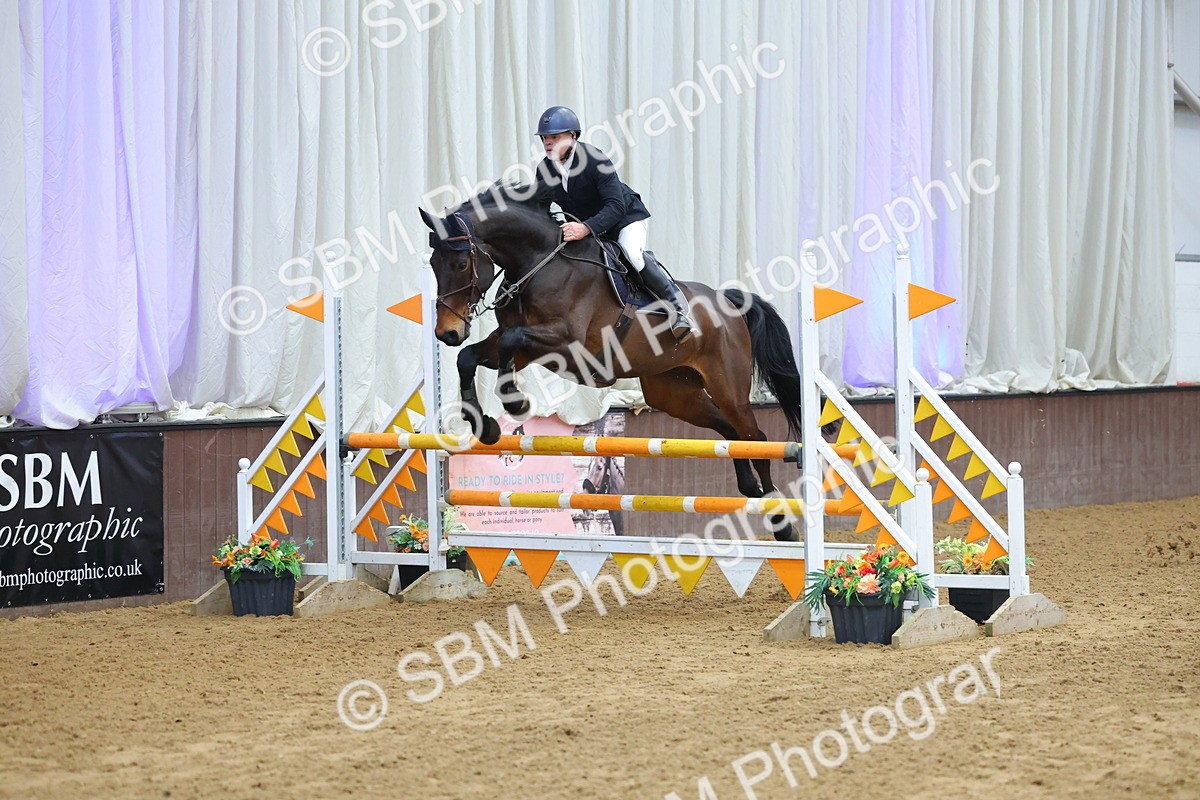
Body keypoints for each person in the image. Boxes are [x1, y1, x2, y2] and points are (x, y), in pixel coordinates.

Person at [533, 105, 695, 341]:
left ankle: (678, 307)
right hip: (586, 228)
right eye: (545, 138)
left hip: (625, 219)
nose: (548, 143)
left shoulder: (594, 160)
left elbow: (616, 206)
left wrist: (585, 228)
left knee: (631, 253)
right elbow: (540, 208)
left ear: (573, 136)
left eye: (555, 137)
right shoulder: (545, 169)